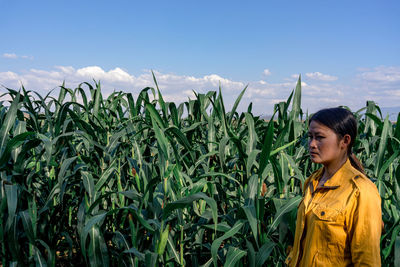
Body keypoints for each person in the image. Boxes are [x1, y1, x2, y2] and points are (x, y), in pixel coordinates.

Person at [285, 107, 382, 266]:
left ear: (345, 140)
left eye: (320, 137)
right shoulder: (312, 181)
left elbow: (367, 261)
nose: (312, 144)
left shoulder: (361, 191)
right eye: (310, 137)